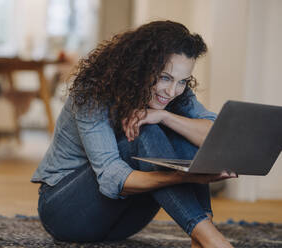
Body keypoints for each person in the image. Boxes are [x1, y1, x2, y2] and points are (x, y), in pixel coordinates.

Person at [31, 20, 237, 248]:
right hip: (66, 214)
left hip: (123, 223)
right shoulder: (92, 91)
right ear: (140, 66)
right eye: (165, 77)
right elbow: (111, 176)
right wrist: (185, 176)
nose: (171, 91)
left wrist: (165, 116)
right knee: (146, 131)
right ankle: (212, 239)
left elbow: (218, 136)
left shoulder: (175, 93)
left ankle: (200, 237)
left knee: (183, 129)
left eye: (182, 81)